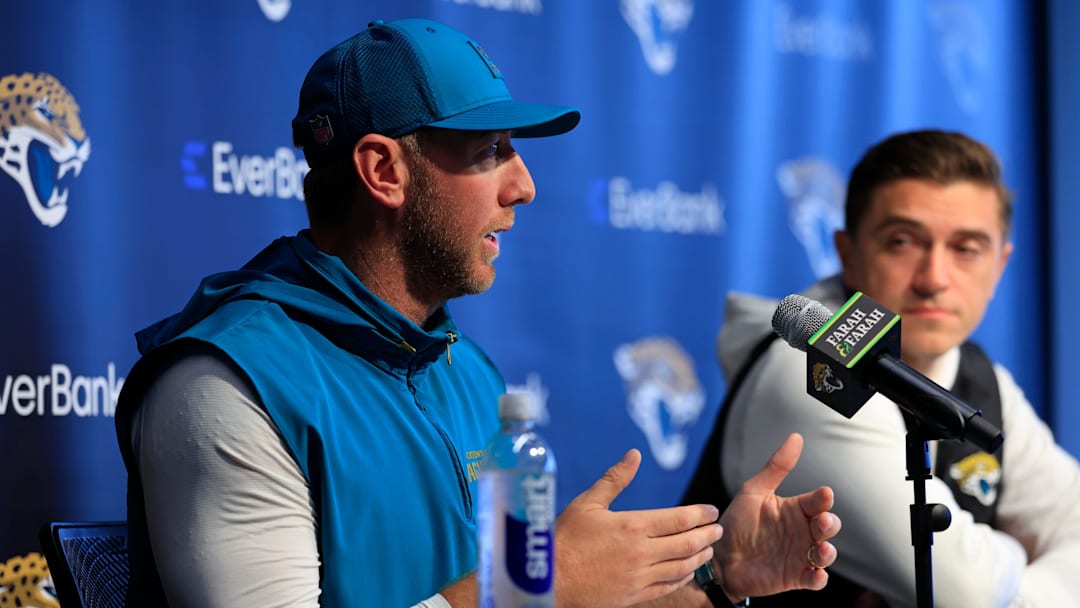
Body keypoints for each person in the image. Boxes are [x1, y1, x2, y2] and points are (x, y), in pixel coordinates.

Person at [114, 17, 841, 608]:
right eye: (490, 151)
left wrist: (716, 582)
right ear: (383, 171)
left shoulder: (466, 371)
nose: (523, 185)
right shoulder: (225, 384)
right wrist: (543, 587)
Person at [684, 129, 1080, 607]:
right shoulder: (809, 369)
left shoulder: (976, 373)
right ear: (848, 254)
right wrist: (1018, 553)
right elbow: (965, 594)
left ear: (999, 266)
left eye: (966, 248)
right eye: (902, 242)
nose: (934, 279)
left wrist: (998, 571)